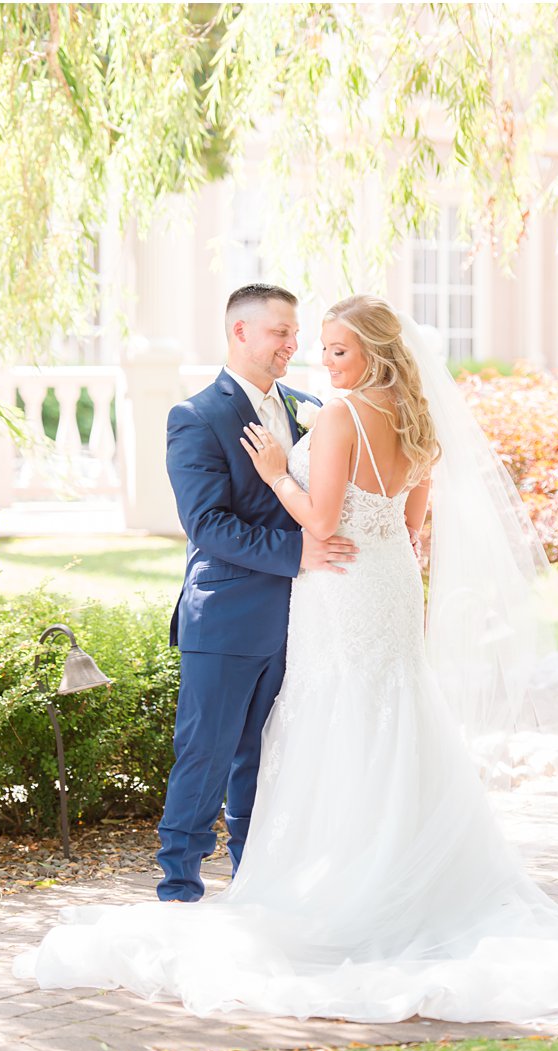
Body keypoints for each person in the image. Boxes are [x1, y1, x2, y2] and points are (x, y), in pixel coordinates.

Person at [15, 295, 558, 1024]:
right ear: (239, 332)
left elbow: (326, 516)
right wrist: (317, 535)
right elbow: (222, 524)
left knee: (317, 730)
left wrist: (279, 477)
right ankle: (184, 890)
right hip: (325, 592)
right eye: (293, 337)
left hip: (337, 592)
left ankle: (295, 884)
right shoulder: (210, 416)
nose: (307, 352)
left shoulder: (325, 410)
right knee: (252, 742)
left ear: (370, 352)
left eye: (327, 344)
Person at [157, 283, 357, 902]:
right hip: (227, 616)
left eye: (295, 333)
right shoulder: (196, 417)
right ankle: (179, 884)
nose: (293, 345)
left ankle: (254, 881)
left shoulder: (310, 407)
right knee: (205, 754)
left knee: (267, 757)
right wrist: (298, 553)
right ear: (239, 333)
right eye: (280, 332)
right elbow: (207, 525)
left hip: (303, 619)